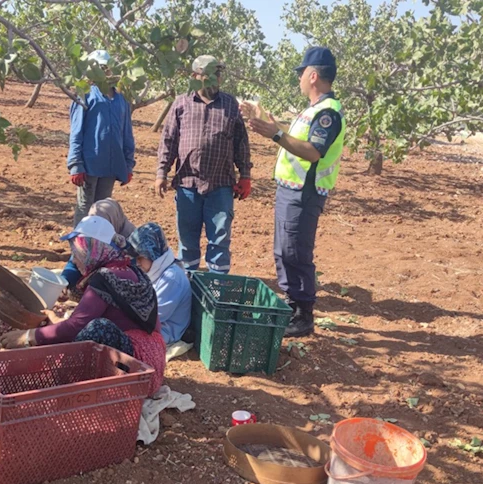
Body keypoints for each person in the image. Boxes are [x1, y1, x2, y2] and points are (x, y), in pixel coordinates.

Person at [241, 47, 345, 337]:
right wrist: (271, 123)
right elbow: (298, 139)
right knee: (284, 250)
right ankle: (292, 305)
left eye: (301, 73)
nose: (299, 79)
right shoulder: (314, 110)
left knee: (296, 252)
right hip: (291, 191)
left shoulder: (328, 113)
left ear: (313, 76)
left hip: (305, 193)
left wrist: (275, 134)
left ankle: (303, 315)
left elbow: (312, 152)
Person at [0, 217, 165, 395]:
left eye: (77, 253)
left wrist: (27, 336)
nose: (75, 260)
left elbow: (76, 327)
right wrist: (57, 323)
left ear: (91, 251)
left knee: (99, 329)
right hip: (153, 361)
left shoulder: (105, 278)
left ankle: (60, 389)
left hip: (139, 370)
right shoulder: (133, 271)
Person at [156, 55, 253, 274]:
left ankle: (216, 284)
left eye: (218, 74)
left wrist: (245, 175)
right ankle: (187, 282)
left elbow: (241, 143)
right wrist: (161, 172)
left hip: (220, 185)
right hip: (188, 184)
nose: (215, 79)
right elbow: (169, 140)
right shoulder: (181, 103)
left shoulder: (230, 104)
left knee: (219, 240)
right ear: (195, 76)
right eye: (210, 74)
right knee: (187, 239)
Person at [68, 50, 136, 227]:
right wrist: (76, 164)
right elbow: (76, 131)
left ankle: (98, 249)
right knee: (85, 207)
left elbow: (127, 133)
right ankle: (80, 250)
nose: (103, 72)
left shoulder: (121, 100)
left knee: (103, 208)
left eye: (106, 68)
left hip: (111, 166)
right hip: (89, 165)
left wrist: (128, 164)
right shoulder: (85, 96)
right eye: (99, 68)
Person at [129, 223, 191, 346]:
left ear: (153, 254)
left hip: (164, 332)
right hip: (151, 325)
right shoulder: (156, 269)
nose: (137, 262)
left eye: (141, 257)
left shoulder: (171, 279)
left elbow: (151, 317)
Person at [60, 198, 136, 288]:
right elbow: (76, 260)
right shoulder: (91, 242)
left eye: (102, 221)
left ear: (113, 220)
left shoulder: (133, 246)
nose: (95, 225)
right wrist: (64, 283)